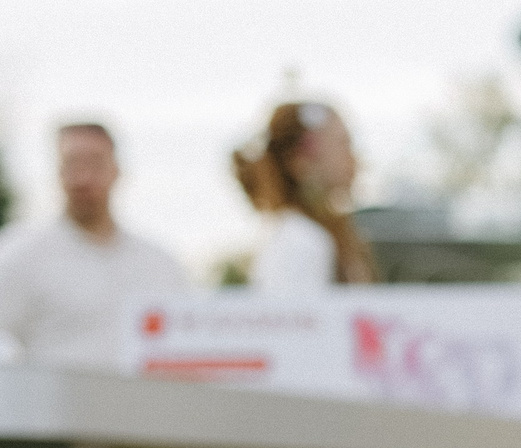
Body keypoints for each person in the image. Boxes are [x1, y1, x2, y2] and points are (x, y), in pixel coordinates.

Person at [0, 122, 189, 370]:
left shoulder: (161, 265)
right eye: (72, 164)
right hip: (54, 406)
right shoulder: (17, 254)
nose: (83, 177)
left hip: (144, 406)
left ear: (116, 170)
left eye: (95, 164)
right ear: (57, 172)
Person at [232, 98, 376, 290]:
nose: (355, 159)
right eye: (343, 143)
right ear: (303, 157)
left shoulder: (304, 234)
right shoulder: (299, 240)